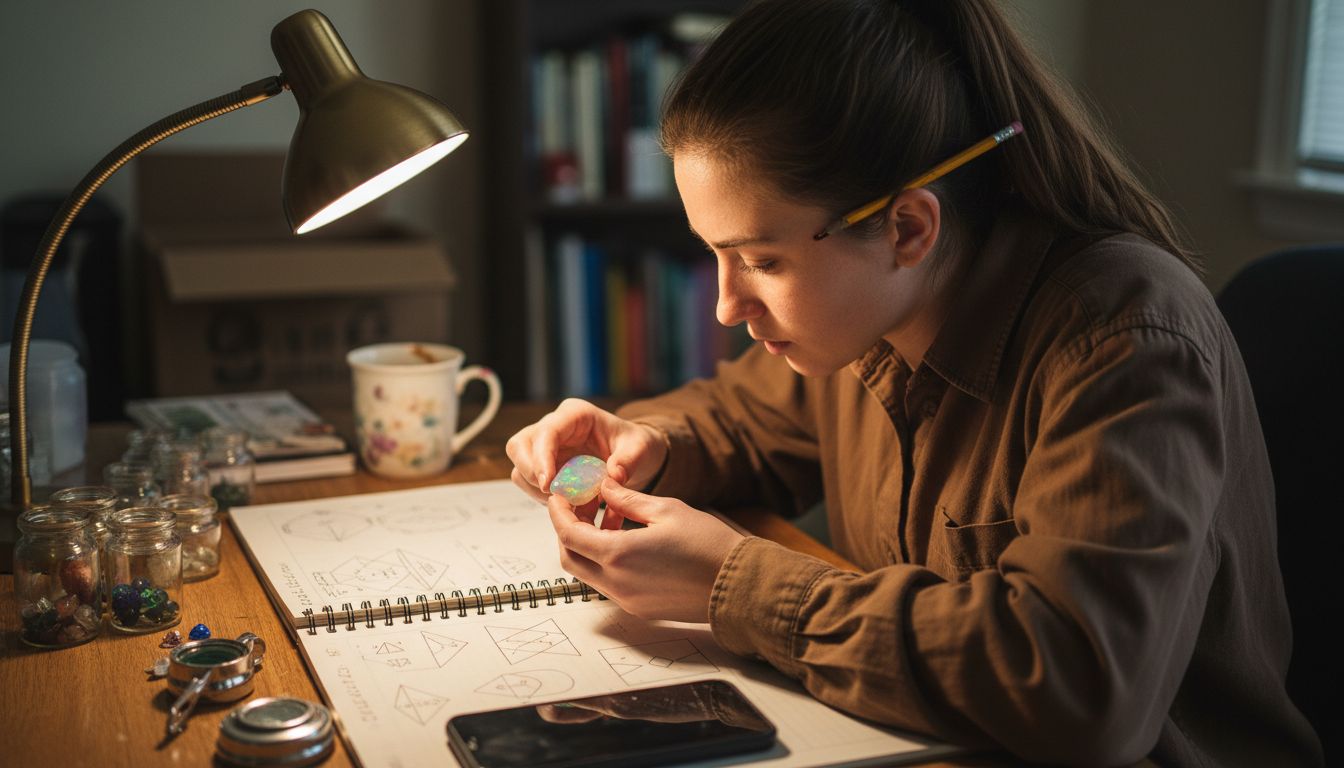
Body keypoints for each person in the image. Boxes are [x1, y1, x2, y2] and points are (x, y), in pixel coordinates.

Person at [506, 0, 1324, 765]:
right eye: (715, 254)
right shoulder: (864, 319)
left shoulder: (1123, 337)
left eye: (761, 260)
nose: (726, 306)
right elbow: (739, 417)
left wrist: (733, 585)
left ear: (907, 228)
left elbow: (1079, 683)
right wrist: (646, 442)